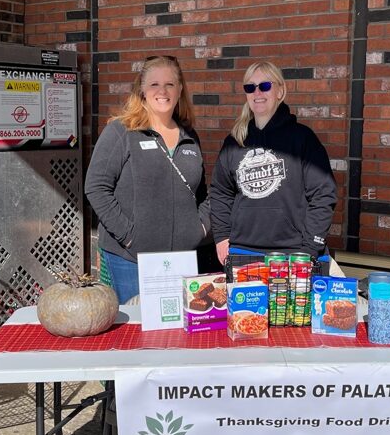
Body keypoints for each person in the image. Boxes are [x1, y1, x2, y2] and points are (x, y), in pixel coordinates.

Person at [85, 55, 210, 303]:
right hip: (131, 259)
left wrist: (200, 228)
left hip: (181, 260)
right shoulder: (122, 130)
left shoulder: (189, 136)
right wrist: (129, 235)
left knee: (178, 330)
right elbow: (96, 187)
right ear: (141, 89)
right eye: (154, 84)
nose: (162, 91)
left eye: (170, 84)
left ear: (180, 89)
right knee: (135, 332)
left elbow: (201, 193)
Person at [209, 61, 337, 266]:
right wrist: (222, 237)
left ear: (280, 91)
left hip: (293, 254)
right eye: (250, 87)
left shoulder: (302, 138)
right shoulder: (235, 141)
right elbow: (220, 193)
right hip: (243, 252)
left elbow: (324, 194)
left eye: (265, 86)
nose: (257, 92)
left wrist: (309, 249)